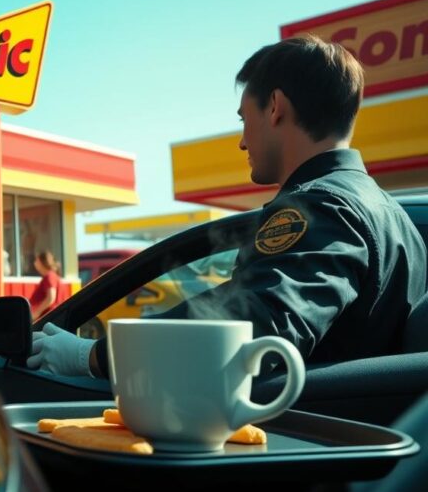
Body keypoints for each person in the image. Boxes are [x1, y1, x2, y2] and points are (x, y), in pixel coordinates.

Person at [29, 34, 428, 378]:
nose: (241, 141)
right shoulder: (393, 215)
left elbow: (256, 324)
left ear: (275, 107)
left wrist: (93, 355)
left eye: (243, 119)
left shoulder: (318, 206)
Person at [29, 250, 61, 320]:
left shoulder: (50, 276)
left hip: (47, 319)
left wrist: (36, 313)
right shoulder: (52, 275)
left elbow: (51, 298)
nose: (34, 263)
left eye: (36, 261)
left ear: (42, 262)